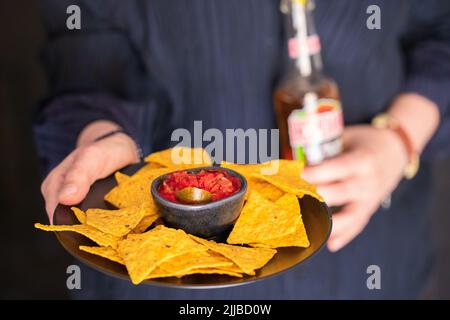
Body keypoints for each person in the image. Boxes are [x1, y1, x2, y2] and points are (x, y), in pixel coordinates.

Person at [34, 0, 450, 299]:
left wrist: (401, 137)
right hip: (171, 284)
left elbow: (441, 32)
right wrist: (100, 137)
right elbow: (85, 55)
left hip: (372, 263)